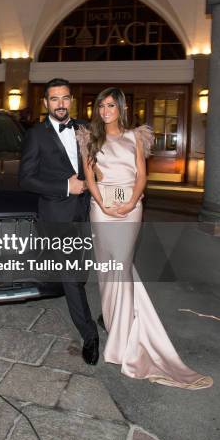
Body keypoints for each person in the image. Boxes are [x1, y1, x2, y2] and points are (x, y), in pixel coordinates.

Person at [78, 87, 212, 389]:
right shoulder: (90, 137)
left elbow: (142, 175)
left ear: (121, 108)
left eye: (111, 105)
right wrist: (102, 203)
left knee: (121, 267)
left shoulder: (136, 137)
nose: (105, 111)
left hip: (130, 208)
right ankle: (115, 324)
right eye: (101, 106)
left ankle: (124, 340)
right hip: (101, 208)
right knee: (108, 270)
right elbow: (89, 176)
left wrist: (130, 202)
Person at [19, 78, 99, 365]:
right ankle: (90, 335)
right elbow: (25, 178)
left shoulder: (85, 129)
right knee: (70, 277)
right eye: (54, 99)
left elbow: (96, 166)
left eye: (65, 98)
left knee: (80, 272)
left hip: (87, 211)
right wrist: (66, 187)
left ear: (71, 100)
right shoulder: (36, 135)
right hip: (57, 213)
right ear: (46, 103)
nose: (61, 104)